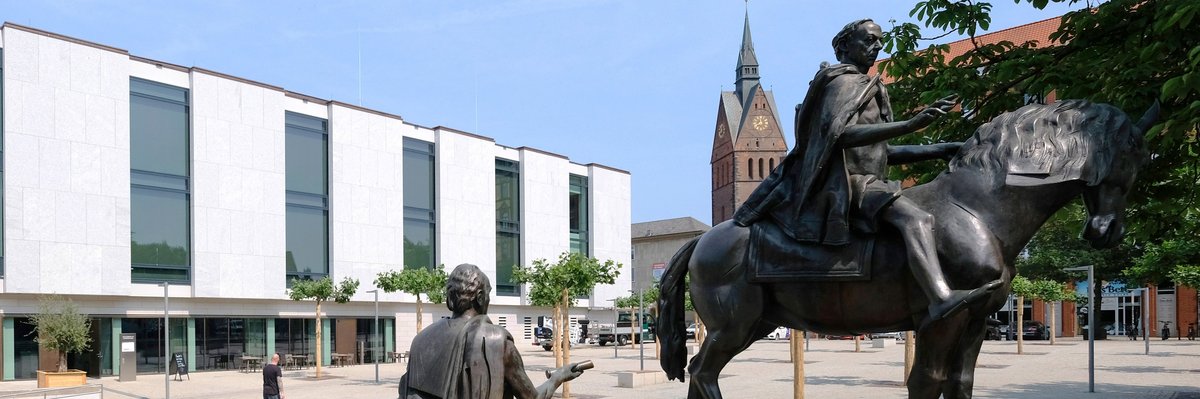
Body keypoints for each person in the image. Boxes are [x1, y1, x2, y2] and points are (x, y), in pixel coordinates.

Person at [733, 19, 1000, 322]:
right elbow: (839, 135)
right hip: (849, 184)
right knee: (918, 220)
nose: (877, 47)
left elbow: (880, 153)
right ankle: (940, 297)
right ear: (845, 45)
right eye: (869, 41)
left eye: (879, 42)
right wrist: (911, 125)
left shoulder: (870, 88)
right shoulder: (843, 83)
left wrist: (941, 148)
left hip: (869, 180)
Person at [399, 264, 587, 399]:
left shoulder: (421, 339)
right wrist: (558, 377)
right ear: (480, 298)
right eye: (488, 295)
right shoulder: (498, 341)